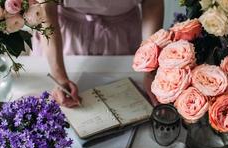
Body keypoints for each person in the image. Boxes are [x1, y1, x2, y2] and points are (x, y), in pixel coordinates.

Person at [36, 0, 164, 107]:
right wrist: (59, 76)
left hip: (124, 35)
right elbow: (46, 8)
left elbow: (152, 3)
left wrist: (150, 69)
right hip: (62, 39)